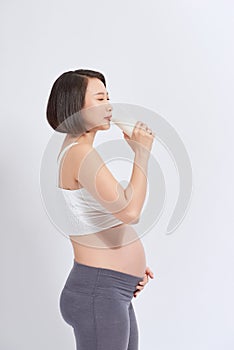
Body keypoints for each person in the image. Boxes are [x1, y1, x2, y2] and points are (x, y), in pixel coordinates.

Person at [46, 69, 154, 349]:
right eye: (99, 98)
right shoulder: (80, 154)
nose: (109, 105)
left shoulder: (77, 151)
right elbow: (130, 211)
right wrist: (142, 153)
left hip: (110, 289)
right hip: (99, 291)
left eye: (108, 97)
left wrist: (130, 270)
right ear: (74, 107)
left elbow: (100, 220)